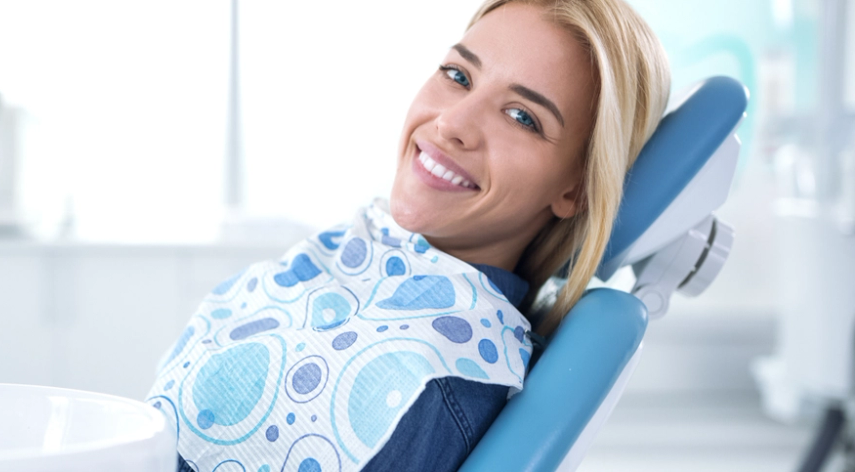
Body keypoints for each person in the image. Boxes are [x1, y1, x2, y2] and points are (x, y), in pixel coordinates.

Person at [149, 0, 670, 470]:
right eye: (458, 75)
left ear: (575, 189)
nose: (451, 123)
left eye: (521, 116)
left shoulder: (425, 386)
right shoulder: (354, 252)